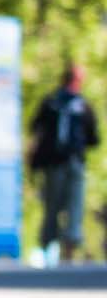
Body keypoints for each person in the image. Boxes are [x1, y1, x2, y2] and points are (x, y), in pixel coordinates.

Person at [28, 62, 98, 265]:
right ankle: (59, 250)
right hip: (65, 163)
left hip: (63, 163)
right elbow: (94, 138)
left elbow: (36, 131)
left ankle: (58, 248)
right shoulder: (72, 105)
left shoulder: (60, 103)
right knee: (64, 205)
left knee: (63, 205)